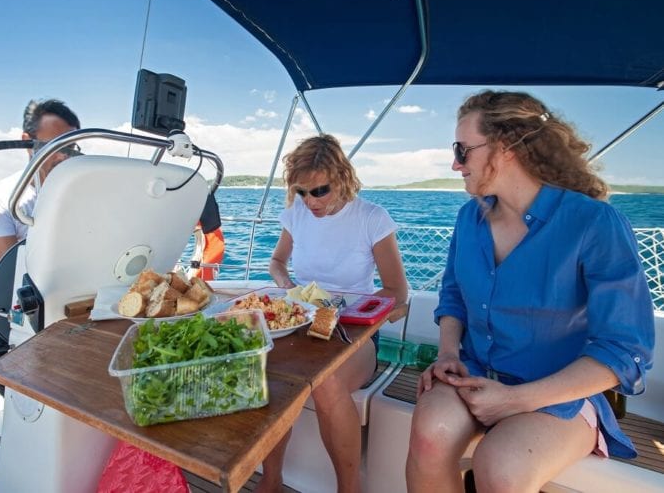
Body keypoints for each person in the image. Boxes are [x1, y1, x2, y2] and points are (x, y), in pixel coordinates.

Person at [406, 91, 655, 492]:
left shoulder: (593, 223)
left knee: (501, 467)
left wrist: (516, 400)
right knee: (427, 433)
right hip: (475, 373)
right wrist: (449, 354)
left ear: (504, 148)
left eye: (462, 150)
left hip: (560, 393)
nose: (455, 164)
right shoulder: (469, 218)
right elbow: (452, 294)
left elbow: (625, 350)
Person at [258, 133, 409, 493]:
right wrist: (287, 286)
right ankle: (271, 480)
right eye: (302, 192)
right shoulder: (296, 214)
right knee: (269, 375)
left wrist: (346, 313)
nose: (310, 201)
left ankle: (348, 488)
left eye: (320, 190)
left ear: (342, 177)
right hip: (302, 329)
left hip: (353, 334)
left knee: (326, 384)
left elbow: (396, 292)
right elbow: (277, 262)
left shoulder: (371, 218)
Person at [0, 99, 81, 261]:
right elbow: (9, 270)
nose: (63, 155)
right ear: (27, 142)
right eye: (54, 145)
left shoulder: (86, 191)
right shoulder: (0, 196)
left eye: (71, 147)